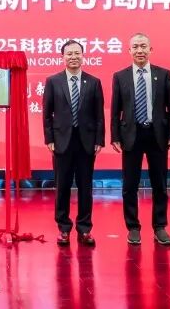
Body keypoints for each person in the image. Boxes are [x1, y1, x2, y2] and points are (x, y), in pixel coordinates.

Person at [110, 33, 170, 246]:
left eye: (143, 46)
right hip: (131, 135)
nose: (139, 50)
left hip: (157, 135)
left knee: (160, 183)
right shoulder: (120, 76)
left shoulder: (164, 74)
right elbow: (115, 111)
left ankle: (160, 226)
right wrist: (115, 136)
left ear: (150, 50)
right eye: (135, 47)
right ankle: (133, 227)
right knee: (129, 185)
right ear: (129, 51)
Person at [43, 40, 105, 247]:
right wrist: (49, 139)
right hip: (62, 142)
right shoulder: (53, 81)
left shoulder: (93, 82)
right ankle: (63, 228)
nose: (73, 57)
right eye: (69, 54)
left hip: (87, 143)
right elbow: (47, 114)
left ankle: (84, 228)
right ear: (63, 57)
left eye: (77, 53)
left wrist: (99, 139)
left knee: (86, 187)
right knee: (62, 187)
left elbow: (99, 115)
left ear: (83, 56)